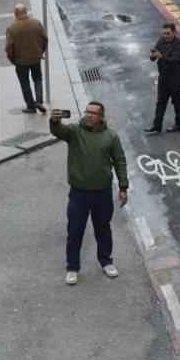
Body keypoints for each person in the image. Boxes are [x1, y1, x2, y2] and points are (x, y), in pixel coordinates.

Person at [50, 101, 129, 284]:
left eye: (94, 113)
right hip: (79, 193)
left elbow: (120, 161)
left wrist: (123, 187)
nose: (89, 115)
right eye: (87, 112)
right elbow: (59, 131)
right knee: (75, 230)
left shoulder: (111, 136)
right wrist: (54, 122)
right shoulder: (75, 132)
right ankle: (72, 267)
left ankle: (106, 261)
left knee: (103, 229)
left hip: (102, 193)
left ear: (101, 117)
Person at [6, 4, 48, 114]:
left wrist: (12, 59)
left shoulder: (12, 28)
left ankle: (31, 106)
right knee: (37, 79)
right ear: (26, 12)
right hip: (35, 58)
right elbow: (45, 39)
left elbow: (9, 47)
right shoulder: (36, 23)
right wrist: (40, 51)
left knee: (25, 83)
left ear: (15, 14)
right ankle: (39, 101)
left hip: (20, 61)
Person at [145, 22, 180, 134]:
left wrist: (161, 56)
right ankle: (156, 126)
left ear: (174, 32)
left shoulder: (179, 45)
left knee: (176, 101)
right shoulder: (161, 41)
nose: (165, 36)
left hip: (175, 78)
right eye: (163, 34)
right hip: (163, 76)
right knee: (161, 101)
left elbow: (175, 60)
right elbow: (154, 55)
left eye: (168, 33)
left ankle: (179, 124)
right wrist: (152, 56)